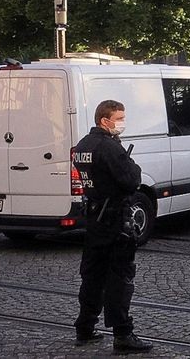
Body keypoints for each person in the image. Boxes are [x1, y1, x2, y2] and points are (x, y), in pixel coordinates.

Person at [71, 100, 152, 354]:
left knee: (92, 276)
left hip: (94, 218)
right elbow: (132, 179)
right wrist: (132, 166)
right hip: (116, 220)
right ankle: (123, 334)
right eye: (119, 118)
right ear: (105, 120)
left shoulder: (83, 145)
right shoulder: (109, 147)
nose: (122, 123)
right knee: (119, 278)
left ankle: (85, 327)